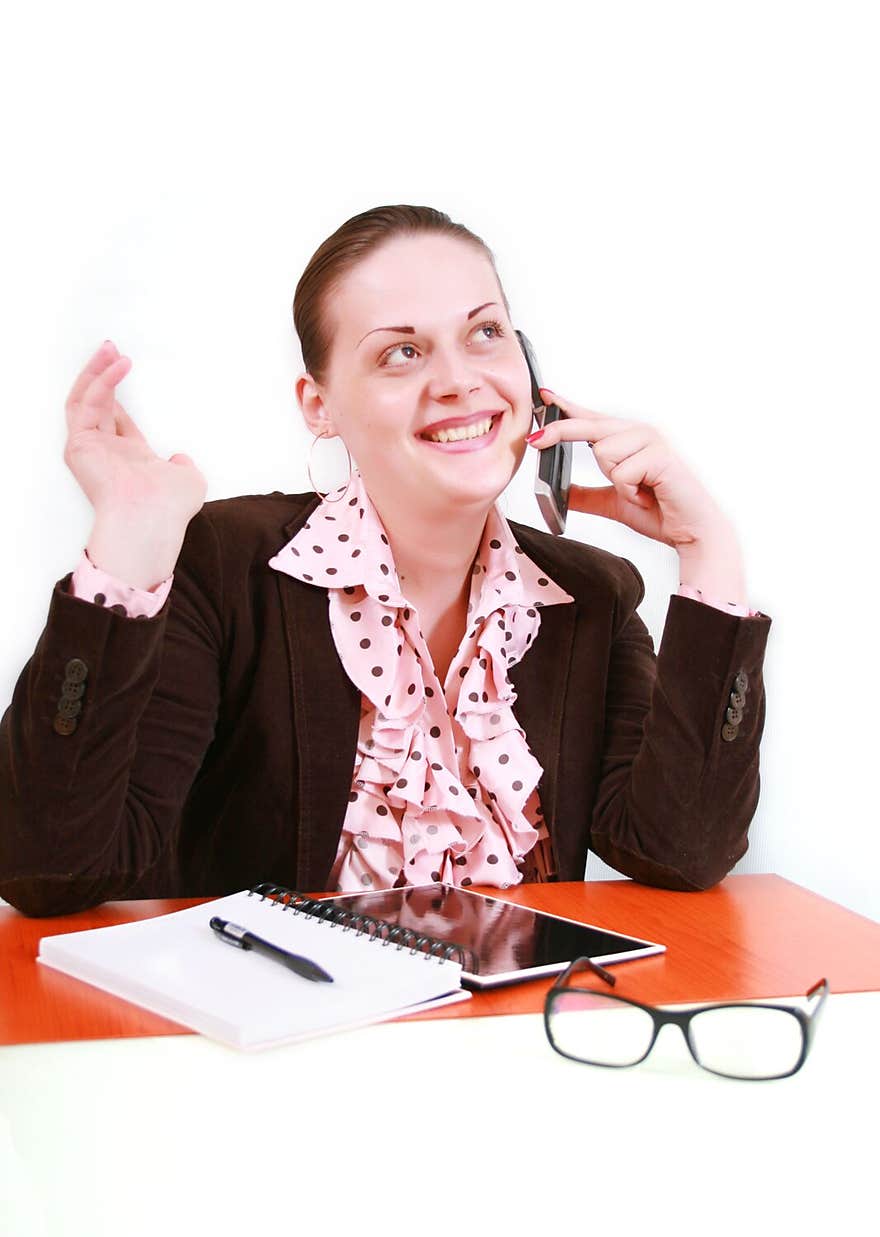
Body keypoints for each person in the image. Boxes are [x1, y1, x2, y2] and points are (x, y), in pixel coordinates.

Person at [0, 204, 770, 918]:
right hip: (280, 1042)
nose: (460, 381)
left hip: (515, 1038)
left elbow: (680, 850)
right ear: (319, 405)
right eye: (402, 352)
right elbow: (51, 871)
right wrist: (126, 555)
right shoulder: (221, 565)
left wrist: (711, 555)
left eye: (486, 333)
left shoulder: (589, 595)